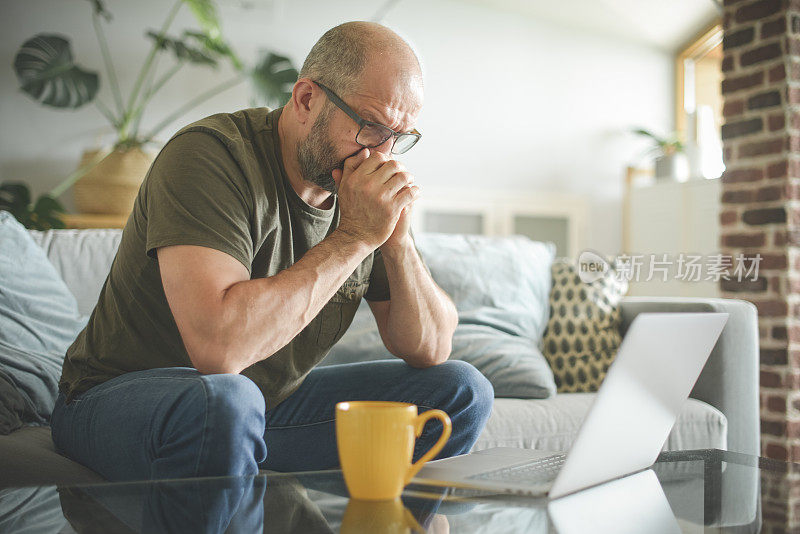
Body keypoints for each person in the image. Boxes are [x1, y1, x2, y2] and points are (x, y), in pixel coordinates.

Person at [50, 21, 494, 482]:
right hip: (115, 402)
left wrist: (395, 240)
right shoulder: (210, 155)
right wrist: (355, 238)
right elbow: (218, 350)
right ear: (306, 100)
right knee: (226, 399)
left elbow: (430, 348)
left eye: (398, 137)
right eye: (370, 127)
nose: (382, 156)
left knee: (461, 390)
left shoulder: (363, 187)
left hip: (261, 408)